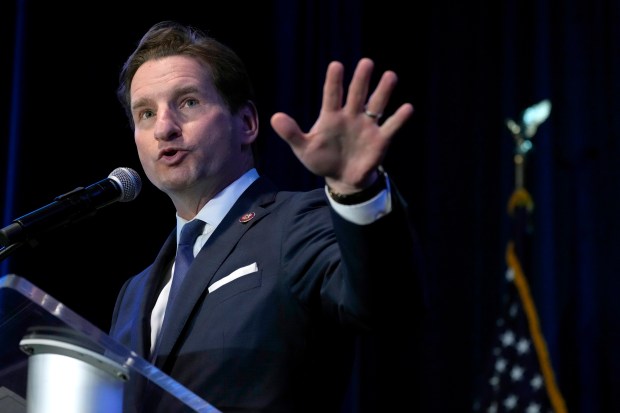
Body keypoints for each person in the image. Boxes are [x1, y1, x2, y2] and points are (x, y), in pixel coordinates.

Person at [109, 20, 425, 413]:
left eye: (188, 102)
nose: (165, 129)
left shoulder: (296, 223)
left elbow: (385, 305)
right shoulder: (133, 293)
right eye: (145, 114)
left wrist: (357, 191)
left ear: (247, 123)